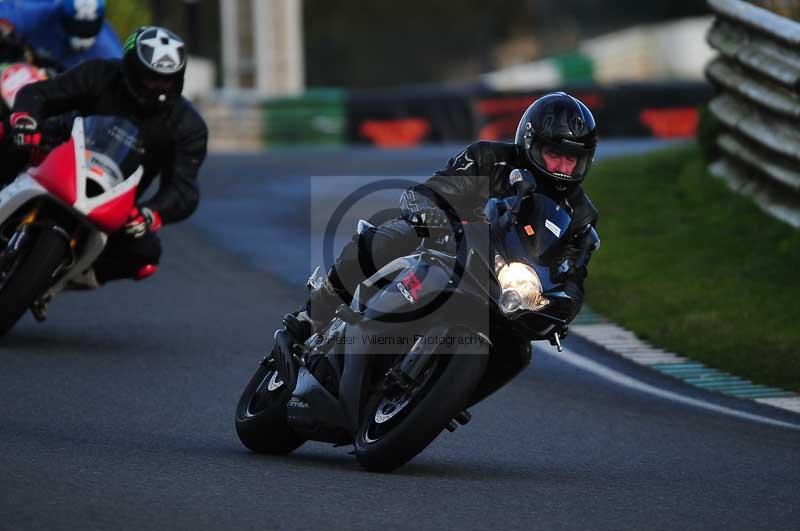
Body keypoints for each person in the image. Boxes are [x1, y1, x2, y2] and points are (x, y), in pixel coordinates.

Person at [286, 91, 600, 341]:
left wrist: (560, 307)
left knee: (520, 350)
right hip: (445, 249)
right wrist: (436, 220)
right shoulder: (489, 158)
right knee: (388, 236)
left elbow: (573, 280)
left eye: (571, 158)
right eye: (554, 154)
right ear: (531, 143)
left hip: (502, 287)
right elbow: (429, 192)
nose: (562, 166)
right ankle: (315, 313)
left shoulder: (581, 216)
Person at [7, 25, 207, 289]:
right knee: (5, 135)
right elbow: (40, 94)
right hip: (55, 155)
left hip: (114, 204)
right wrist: (26, 120)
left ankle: (74, 277)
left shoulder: (188, 126)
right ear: (132, 69)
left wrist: (151, 213)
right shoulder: (100, 74)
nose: (158, 88)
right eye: (150, 78)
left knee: (145, 254)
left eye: (167, 80)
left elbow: (183, 189)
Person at [0, 0, 122, 70]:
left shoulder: (111, 54)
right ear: (61, 15)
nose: (81, 31)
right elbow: (8, 13)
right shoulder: (39, 14)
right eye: (75, 25)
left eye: (88, 27)